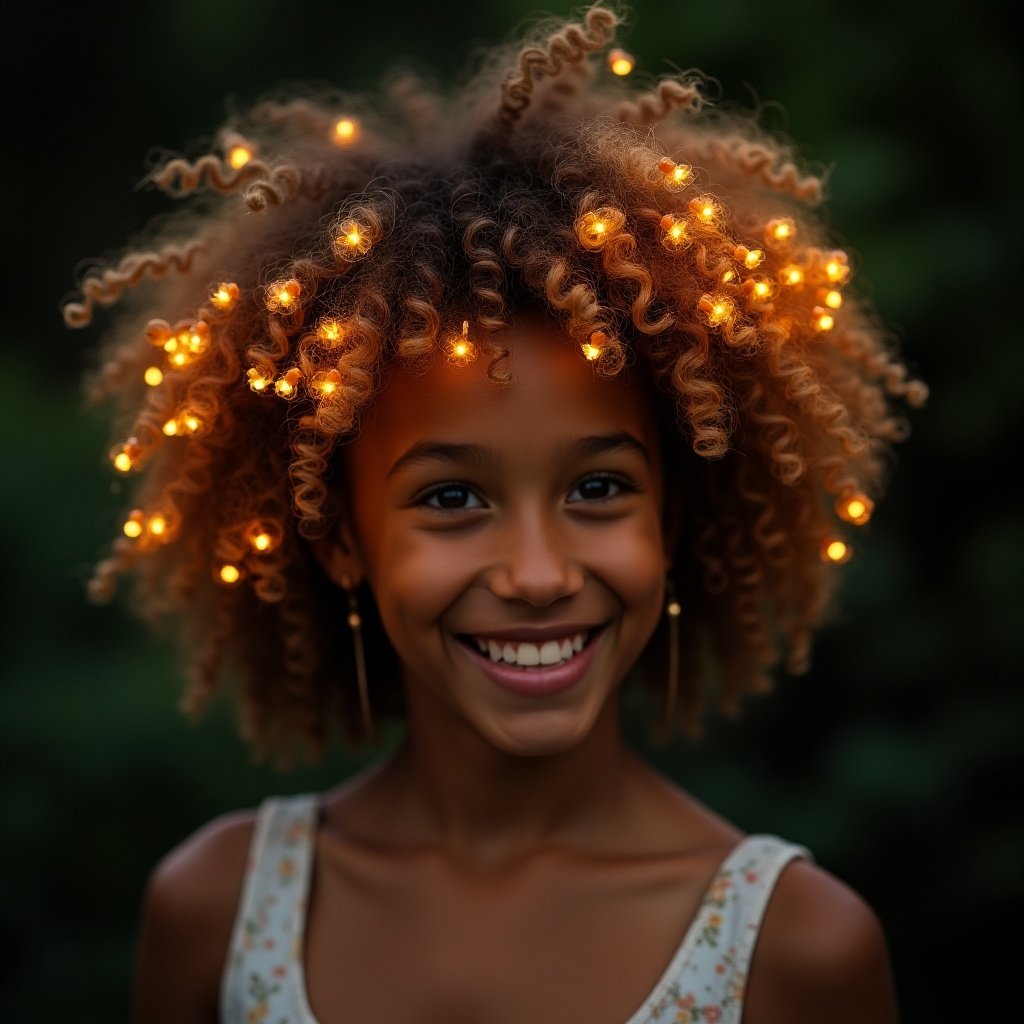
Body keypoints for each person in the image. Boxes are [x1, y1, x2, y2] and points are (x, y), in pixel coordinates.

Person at [64, 5, 927, 1022]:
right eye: (452, 497)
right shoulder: (216, 914)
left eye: (598, 487)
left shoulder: (798, 950)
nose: (537, 571)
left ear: (675, 514)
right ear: (339, 536)